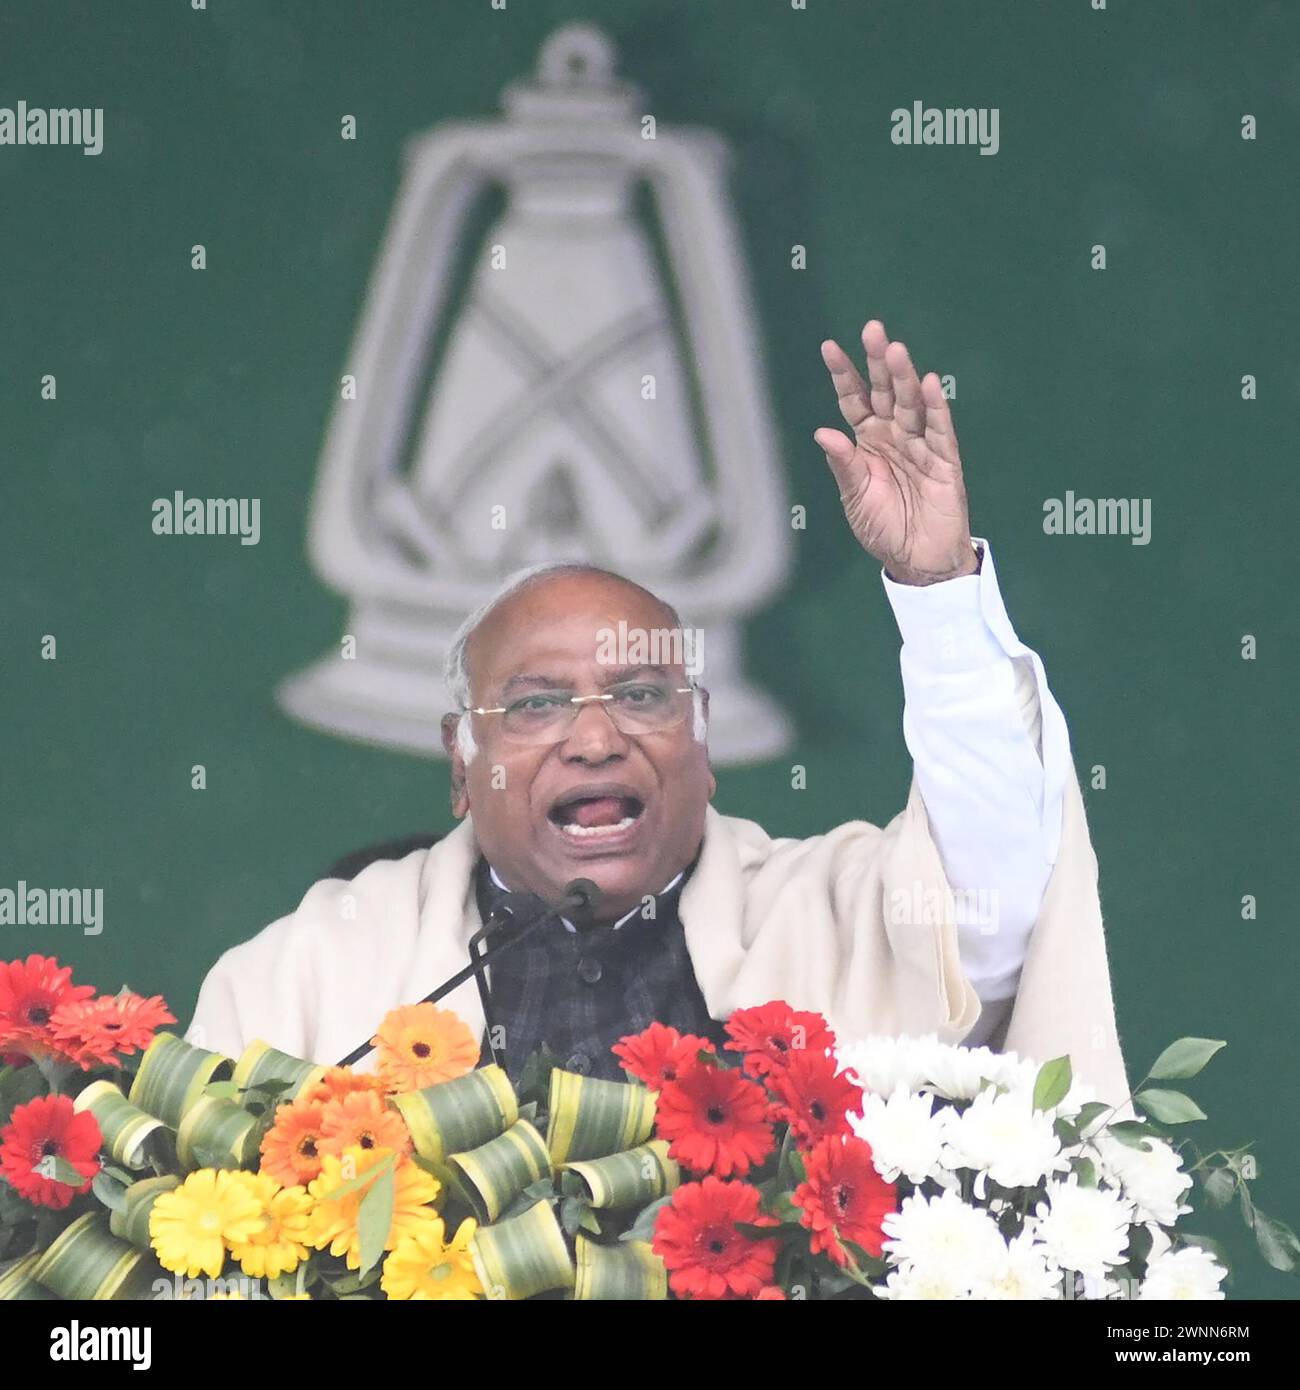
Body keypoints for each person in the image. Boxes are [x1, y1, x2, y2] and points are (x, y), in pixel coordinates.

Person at [186, 320, 1129, 1104]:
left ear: (704, 741)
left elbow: (1001, 874)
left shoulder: (835, 918)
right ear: (461, 763)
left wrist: (936, 589)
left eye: (641, 696)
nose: (596, 739)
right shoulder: (300, 983)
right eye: (537, 706)